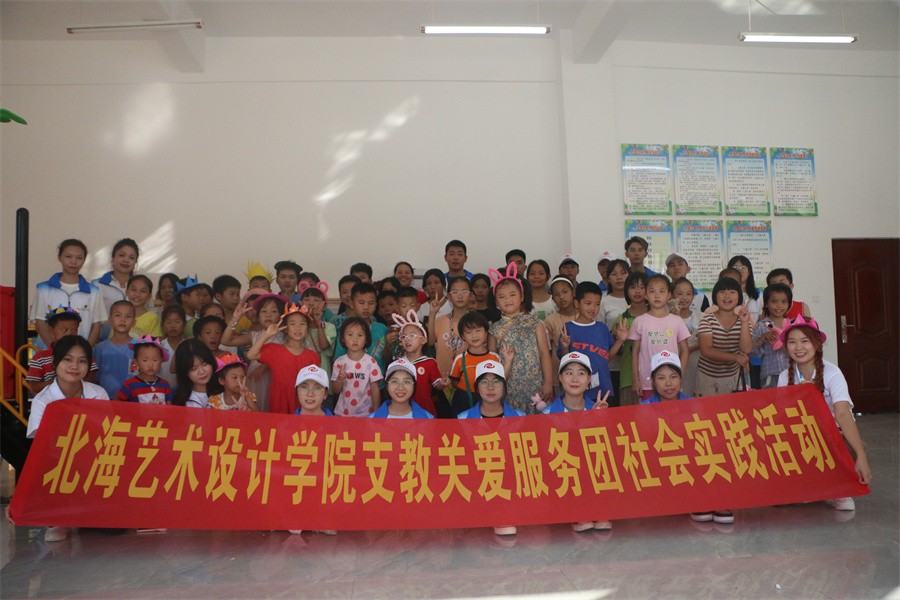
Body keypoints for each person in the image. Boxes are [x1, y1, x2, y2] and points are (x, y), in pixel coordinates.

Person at [777, 316, 872, 510]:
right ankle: (808, 487)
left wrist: (861, 456)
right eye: (792, 342)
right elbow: (781, 417)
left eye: (805, 341)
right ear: (786, 347)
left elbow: (843, 415)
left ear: (817, 344)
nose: (798, 347)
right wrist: (799, 397)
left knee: (846, 445)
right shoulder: (784, 377)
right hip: (801, 435)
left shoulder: (832, 373)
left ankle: (840, 489)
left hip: (833, 435)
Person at [26, 335, 109, 542]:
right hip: (59, 466)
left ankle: (87, 510)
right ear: (55, 363)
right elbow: (42, 449)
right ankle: (58, 517)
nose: (74, 366)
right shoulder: (43, 400)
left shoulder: (98, 394)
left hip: (92, 463)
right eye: (68, 360)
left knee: (112, 529)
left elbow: (107, 435)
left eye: (82, 361)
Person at [541, 351, 612, 532]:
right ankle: (577, 509)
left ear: (589, 380)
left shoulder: (598, 409)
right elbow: (547, 457)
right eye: (569, 373)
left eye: (581, 373)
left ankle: (598, 506)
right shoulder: (547, 414)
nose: (574, 379)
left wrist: (600, 420)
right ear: (560, 378)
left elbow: (607, 453)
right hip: (564, 478)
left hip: (591, 478)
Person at [456, 361, 523, 537]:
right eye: (484, 382)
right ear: (477, 388)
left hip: (509, 488)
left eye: (496, 381)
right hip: (476, 487)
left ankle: (503, 515)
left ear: (504, 386)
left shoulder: (520, 418)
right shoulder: (462, 419)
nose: (491, 387)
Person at [489, 263, 553, 412]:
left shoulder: (536, 323)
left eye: (512, 295)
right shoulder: (494, 329)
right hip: (508, 389)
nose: (508, 300)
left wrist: (548, 382)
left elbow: (544, 354)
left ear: (522, 296)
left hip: (535, 387)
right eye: (502, 297)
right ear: (496, 302)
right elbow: (492, 362)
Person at [559, 282, 627, 402]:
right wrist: (565, 346)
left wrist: (620, 340)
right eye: (588, 303)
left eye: (597, 304)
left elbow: (606, 357)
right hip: (578, 390)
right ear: (577, 303)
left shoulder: (602, 328)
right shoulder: (568, 328)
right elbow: (566, 361)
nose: (593, 308)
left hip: (603, 389)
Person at [246, 303, 320, 414]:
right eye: (292, 324)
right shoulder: (274, 350)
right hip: (279, 402)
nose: (298, 328)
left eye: (302, 324)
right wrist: (267, 335)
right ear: (285, 328)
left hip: (302, 402)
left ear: (307, 328)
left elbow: (315, 384)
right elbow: (250, 355)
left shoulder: (312, 356)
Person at [289, 364, 337, 536]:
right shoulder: (284, 427)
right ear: (297, 392)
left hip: (326, 498)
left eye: (317, 388)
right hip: (294, 496)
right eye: (304, 387)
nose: (310, 394)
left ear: (325, 394)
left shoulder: (338, 426)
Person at [31, 239, 107, 347]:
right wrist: (54, 349)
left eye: (79, 258)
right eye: (68, 256)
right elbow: (40, 322)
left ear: (84, 260)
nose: (73, 262)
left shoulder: (94, 291)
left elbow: (96, 325)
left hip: (80, 354)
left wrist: (85, 351)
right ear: (59, 257)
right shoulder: (43, 289)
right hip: (48, 353)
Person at [628, 275, 691, 401]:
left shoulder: (677, 321)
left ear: (669, 295)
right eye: (652, 291)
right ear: (646, 295)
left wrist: (679, 374)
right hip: (646, 381)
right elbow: (635, 352)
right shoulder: (639, 321)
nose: (657, 296)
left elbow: (685, 350)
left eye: (661, 291)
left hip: (671, 382)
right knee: (649, 412)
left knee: (673, 411)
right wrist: (636, 379)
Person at [695, 277, 752, 396]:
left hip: (733, 377)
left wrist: (744, 323)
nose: (727, 296)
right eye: (722, 292)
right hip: (707, 377)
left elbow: (746, 349)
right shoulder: (707, 320)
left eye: (732, 292)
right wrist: (735, 357)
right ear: (715, 296)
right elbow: (706, 350)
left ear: (739, 296)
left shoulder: (744, 321)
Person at [26, 307, 98, 395]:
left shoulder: (83, 353)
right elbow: (34, 387)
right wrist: (59, 381)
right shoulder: (40, 357)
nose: (69, 333)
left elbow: (92, 379)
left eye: (74, 330)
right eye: (64, 330)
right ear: (51, 330)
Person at [449, 311, 506, 415]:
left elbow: (501, 379)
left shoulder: (495, 358)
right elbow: (454, 381)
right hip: (463, 400)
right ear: (462, 336)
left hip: (488, 400)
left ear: (486, 333)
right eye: (468, 332)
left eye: (478, 330)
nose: (474, 335)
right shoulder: (460, 359)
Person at [393, 309, 447, 417]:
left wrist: (443, 383)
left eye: (412, 336)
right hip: (403, 409)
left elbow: (437, 385)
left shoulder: (430, 363)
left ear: (423, 340)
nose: (407, 340)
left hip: (424, 409)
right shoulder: (397, 363)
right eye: (403, 337)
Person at [331, 317, 382, 416]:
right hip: (343, 414)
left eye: (360, 335)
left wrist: (376, 412)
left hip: (366, 413)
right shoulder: (339, 362)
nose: (355, 339)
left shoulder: (371, 362)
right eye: (350, 334)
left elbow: (375, 389)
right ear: (342, 338)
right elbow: (335, 391)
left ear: (366, 339)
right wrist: (340, 379)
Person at [333, 282, 388, 371]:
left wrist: (388, 345)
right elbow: (338, 359)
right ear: (352, 303)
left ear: (376, 305)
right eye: (361, 303)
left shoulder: (382, 329)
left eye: (371, 303)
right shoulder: (346, 329)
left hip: (378, 379)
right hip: (351, 378)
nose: (366, 307)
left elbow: (388, 359)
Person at [616, 271, 649, 405]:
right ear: (626, 291)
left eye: (642, 287)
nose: (638, 291)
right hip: (628, 377)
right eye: (633, 287)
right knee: (630, 415)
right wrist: (621, 340)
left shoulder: (657, 316)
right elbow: (618, 352)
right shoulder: (622, 319)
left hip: (654, 376)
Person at [93, 300, 136, 397]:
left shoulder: (138, 348)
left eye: (128, 316)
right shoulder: (99, 349)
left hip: (132, 400)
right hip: (105, 398)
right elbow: (94, 377)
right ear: (110, 320)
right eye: (118, 315)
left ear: (134, 322)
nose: (123, 320)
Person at [752, 283, 792, 388]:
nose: (779, 306)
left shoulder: (792, 325)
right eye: (774, 301)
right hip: (769, 374)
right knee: (772, 398)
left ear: (789, 304)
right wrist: (763, 338)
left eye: (784, 302)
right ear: (766, 304)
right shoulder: (761, 326)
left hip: (791, 373)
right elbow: (752, 352)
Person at [431, 276, 472, 377]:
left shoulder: (475, 322)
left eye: (464, 291)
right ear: (449, 296)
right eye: (455, 292)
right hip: (441, 377)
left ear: (470, 295)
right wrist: (432, 313)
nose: (460, 296)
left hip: (466, 377)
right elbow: (431, 341)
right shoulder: (440, 320)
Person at [543, 276, 578, 392]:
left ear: (573, 293)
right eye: (557, 295)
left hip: (581, 371)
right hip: (559, 372)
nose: (561, 297)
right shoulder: (550, 321)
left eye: (565, 292)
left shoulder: (583, 316)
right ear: (553, 299)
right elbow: (545, 351)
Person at [114, 335, 172, 404]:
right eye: (145, 360)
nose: (150, 365)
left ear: (161, 361)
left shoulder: (165, 385)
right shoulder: (130, 385)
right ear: (136, 362)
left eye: (155, 360)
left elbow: (169, 407)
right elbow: (116, 402)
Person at [370, 358, 435, 419]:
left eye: (406, 382)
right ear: (387, 386)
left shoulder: (428, 419)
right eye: (394, 381)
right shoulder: (372, 419)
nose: (400, 387)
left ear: (414, 386)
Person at [92, 238, 139, 314]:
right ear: (113, 258)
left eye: (131, 257)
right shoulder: (97, 285)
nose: (126, 260)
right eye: (122, 255)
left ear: (135, 262)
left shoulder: (142, 286)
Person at [299, 281, 336, 375]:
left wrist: (318, 321)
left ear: (324, 305)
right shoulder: (298, 327)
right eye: (307, 300)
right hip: (302, 371)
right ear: (301, 303)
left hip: (322, 371)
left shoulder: (330, 327)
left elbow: (323, 346)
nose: (311, 303)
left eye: (316, 300)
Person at [172, 338, 221, 408]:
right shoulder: (181, 401)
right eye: (194, 368)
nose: (201, 371)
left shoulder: (225, 391)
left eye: (204, 364)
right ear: (184, 372)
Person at [672, 277, 701, 396]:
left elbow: (703, 341)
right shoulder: (667, 318)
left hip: (696, 366)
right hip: (674, 366)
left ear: (693, 296)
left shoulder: (701, 317)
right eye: (680, 294)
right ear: (671, 295)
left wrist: (686, 350)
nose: (684, 298)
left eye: (688, 294)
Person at [159, 305, 186, 389]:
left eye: (177, 321)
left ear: (184, 324)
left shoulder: (188, 346)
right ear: (163, 325)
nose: (173, 326)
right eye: (168, 322)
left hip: (183, 391)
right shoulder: (159, 347)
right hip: (162, 390)